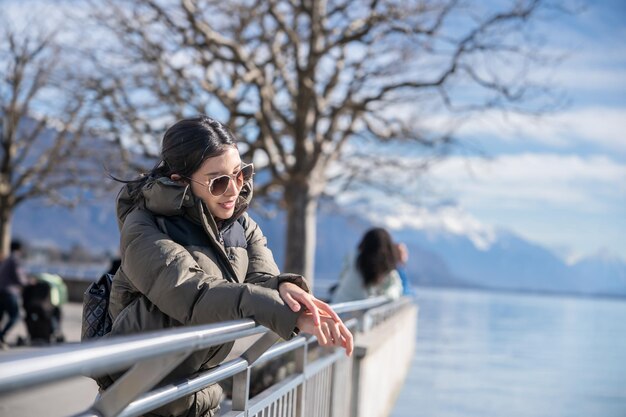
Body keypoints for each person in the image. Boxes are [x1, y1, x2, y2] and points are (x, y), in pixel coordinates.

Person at [99, 115, 352, 417]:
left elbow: (262, 279)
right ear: (180, 182)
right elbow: (191, 293)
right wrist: (284, 313)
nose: (233, 190)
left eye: (239, 174)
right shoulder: (142, 227)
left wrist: (287, 290)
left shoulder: (241, 225)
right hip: (136, 400)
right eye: (218, 181)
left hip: (201, 395)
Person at [330, 228, 403, 303]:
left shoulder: (353, 257)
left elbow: (342, 276)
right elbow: (395, 289)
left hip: (341, 304)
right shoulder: (385, 267)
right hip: (362, 309)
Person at [0, 240, 28, 347]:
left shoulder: (6, 259)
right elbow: (19, 277)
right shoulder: (15, 260)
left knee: (1, 317)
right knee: (15, 316)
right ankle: (1, 335)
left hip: (1, 291)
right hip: (9, 292)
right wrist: (28, 282)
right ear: (19, 249)